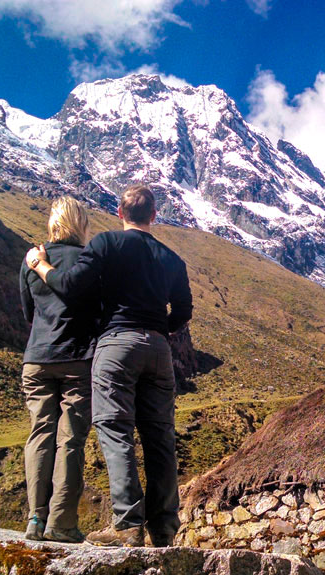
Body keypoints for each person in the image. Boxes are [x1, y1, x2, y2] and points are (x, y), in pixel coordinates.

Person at [25, 185, 192, 548]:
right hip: (159, 349)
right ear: (153, 215)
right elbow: (183, 312)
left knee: (116, 430)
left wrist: (39, 265)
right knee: (160, 435)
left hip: (116, 345)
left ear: (119, 212)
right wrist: (161, 329)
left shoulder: (105, 244)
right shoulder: (173, 260)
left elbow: (69, 285)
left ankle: (128, 525)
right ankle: (163, 529)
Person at [18, 196, 96, 544]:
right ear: (80, 224)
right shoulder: (89, 261)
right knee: (70, 440)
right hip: (78, 359)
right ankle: (62, 522)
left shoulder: (33, 260)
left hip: (36, 358)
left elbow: (27, 313)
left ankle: (36, 517)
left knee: (39, 433)